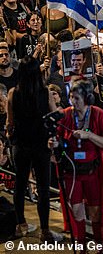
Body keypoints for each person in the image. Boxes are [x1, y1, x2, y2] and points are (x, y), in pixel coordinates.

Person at [52, 80, 103, 247]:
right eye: (71, 98)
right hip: (71, 173)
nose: (73, 102)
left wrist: (90, 136)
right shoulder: (66, 114)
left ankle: (100, 246)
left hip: (92, 172)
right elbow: (57, 140)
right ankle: (81, 248)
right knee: (77, 211)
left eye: (77, 98)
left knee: (95, 212)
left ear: (87, 98)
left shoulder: (98, 114)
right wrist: (53, 144)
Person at [7, 56, 61, 241]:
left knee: (20, 186)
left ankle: (20, 224)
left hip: (21, 145)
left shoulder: (14, 93)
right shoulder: (45, 93)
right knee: (43, 188)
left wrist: (11, 135)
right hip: (41, 145)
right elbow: (54, 117)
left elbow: (10, 123)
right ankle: (45, 231)